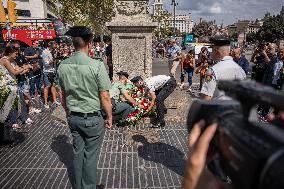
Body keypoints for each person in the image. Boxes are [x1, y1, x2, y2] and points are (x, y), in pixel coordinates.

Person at [57, 26, 112, 189]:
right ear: (89, 43)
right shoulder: (96, 65)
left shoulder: (63, 65)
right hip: (92, 118)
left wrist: (67, 111)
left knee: (77, 153)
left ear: (74, 44)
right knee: (90, 157)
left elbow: (62, 94)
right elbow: (105, 96)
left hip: (73, 117)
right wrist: (109, 116)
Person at [200, 36, 246, 101]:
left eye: (212, 50)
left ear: (216, 51)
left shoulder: (212, 71)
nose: (211, 53)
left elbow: (206, 98)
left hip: (219, 109)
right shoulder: (240, 70)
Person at [42, 42, 60, 108]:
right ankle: (46, 102)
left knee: (53, 85)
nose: (55, 47)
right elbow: (46, 63)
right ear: (50, 45)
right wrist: (53, 60)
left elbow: (54, 62)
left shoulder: (54, 52)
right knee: (47, 86)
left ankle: (54, 100)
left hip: (53, 71)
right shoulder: (45, 52)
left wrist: (57, 60)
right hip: (47, 71)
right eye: (54, 46)